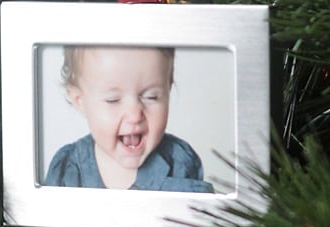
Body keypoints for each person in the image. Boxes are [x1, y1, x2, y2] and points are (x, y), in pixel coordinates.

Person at [44, 45, 214, 192]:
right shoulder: (67, 169)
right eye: (113, 100)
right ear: (79, 101)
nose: (134, 115)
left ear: (167, 91)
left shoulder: (180, 162)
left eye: (152, 97)